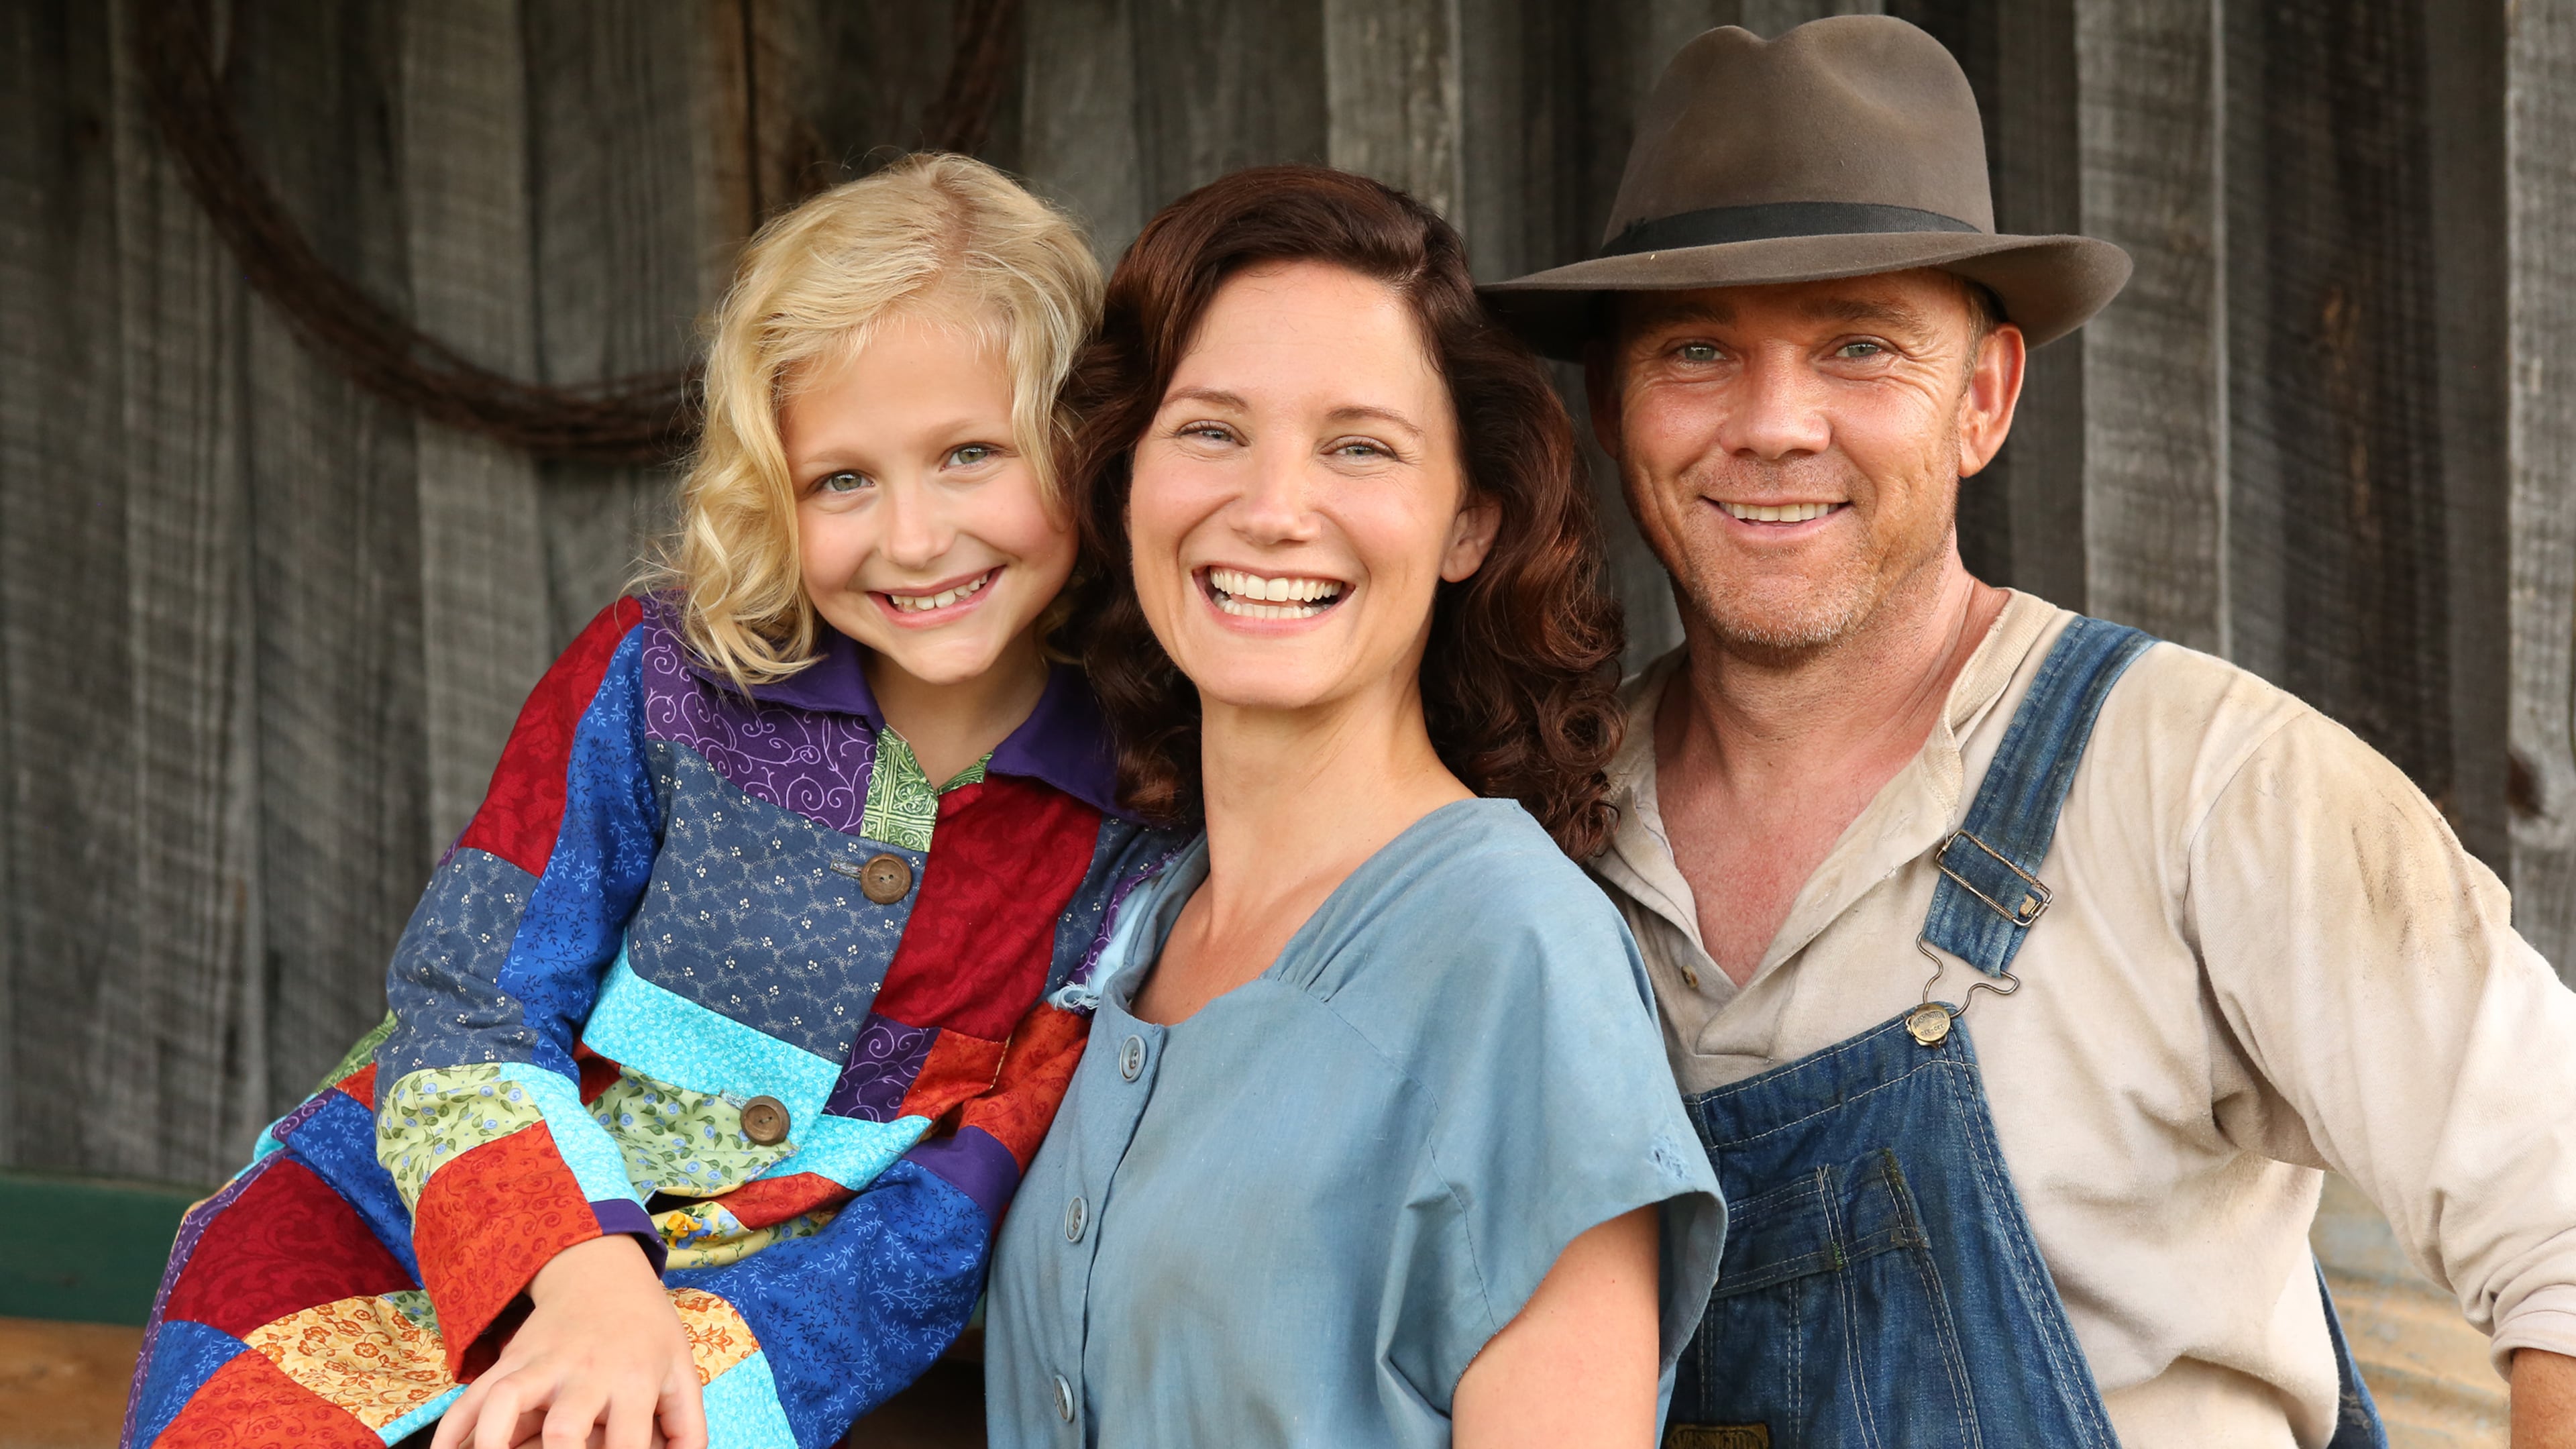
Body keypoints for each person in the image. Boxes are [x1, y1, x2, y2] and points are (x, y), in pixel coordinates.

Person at [1479, 15, 2576, 1449]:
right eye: (1697, 351)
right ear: (1618, 406)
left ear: (1983, 399)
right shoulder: (1542, 844)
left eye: (1859, 347)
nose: (1775, 424)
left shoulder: (2207, 781)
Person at [123, 154, 1178, 1449]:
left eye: (970, 455)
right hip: (432, 1211)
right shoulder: (667, 681)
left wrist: (677, 1340)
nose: (911, 537)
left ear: (1086, 444)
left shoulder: (1145, 794)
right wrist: (579, 1269)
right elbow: (470, 1004)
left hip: (777, 1295)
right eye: (842, 478)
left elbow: (970, 1186)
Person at [983, 165, 1724, 1448]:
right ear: (1123, 482)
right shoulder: (1129, 922)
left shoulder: (1512, 959)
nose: (1272, 511)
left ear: (1467, 524)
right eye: (1211, 429)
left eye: (1360, 447)